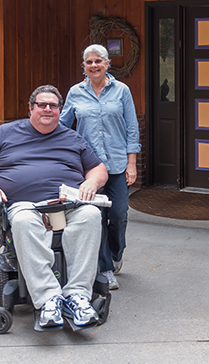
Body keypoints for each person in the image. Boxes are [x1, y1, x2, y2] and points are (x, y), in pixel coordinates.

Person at [0, 84, 108, 331]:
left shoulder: (72, 137)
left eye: (53, 106)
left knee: (91, 214)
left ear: (59, 111)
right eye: (41, 104)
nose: (47, 109)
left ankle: (77, 297)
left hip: (67, 206)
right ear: (31, 108)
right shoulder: (4, 134)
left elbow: (98, 169)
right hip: (26, 207)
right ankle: (48, 299)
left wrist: (91, 181)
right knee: (22, 222)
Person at [60, 44, 140, 291]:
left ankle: (116, 253)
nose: (93, 65)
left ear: (107, 63)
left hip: (116, 165)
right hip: (90, 170)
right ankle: (105, 269)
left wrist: (132, 164)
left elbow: (131, 128)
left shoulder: (121, 91)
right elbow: (63, 126)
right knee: (97, 218)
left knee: (118, 215)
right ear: (83, 66)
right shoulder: (75, 92)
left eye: (98, 61)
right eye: (88, 62)